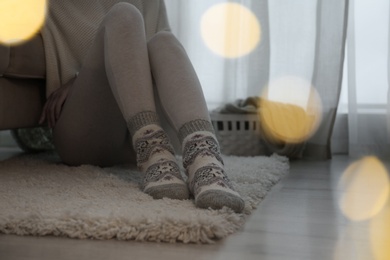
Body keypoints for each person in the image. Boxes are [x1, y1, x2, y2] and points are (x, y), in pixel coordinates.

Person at [38, 0, 244, 213]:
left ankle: (204, 157)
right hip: (88, 133)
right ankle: (151, 147)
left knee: (164, 40)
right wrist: (78, 79)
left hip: (142, 133)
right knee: (124, 15)